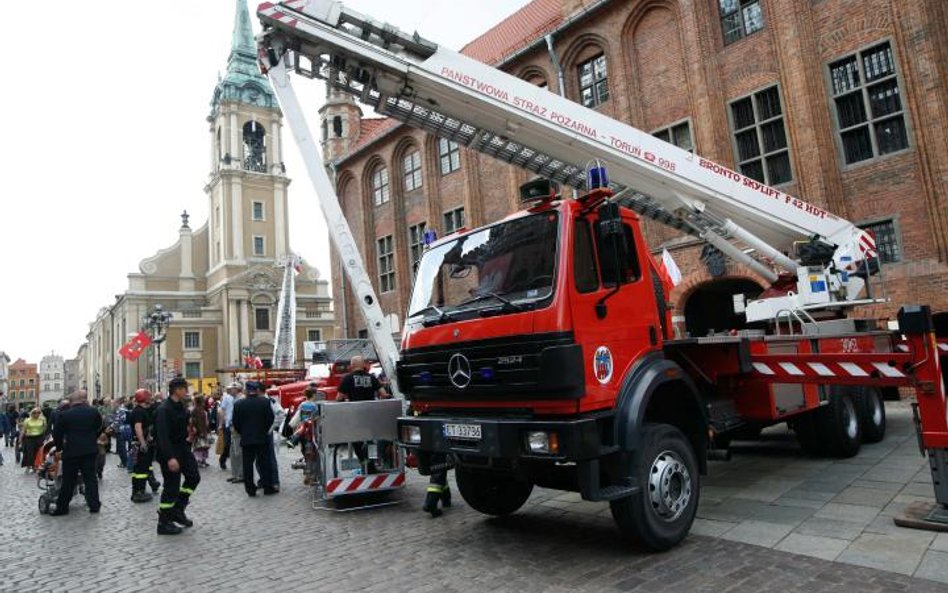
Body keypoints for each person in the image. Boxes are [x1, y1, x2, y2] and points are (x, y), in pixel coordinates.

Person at [154, 378, 201, 535]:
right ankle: (164, 522)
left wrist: (189, 433)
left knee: (194, 477)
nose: (186, 391)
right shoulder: (164, 409)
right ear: (176, 390)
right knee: (171, 487)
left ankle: (178, 509)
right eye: (183, 389)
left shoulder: (181, 406)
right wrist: (170, 458)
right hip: (170, 452)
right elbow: (162, 436)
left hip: (183, 449)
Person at [49, 391, 102, 515]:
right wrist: (92, 438)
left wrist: (59, 448)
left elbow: (57, 433)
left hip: (71, 450)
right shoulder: (94, 412)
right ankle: (94, 505)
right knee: (90, 478)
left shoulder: (64, 415)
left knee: (68, 480)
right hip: (90, 449)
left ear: (72, 401)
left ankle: (62, 507)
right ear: (84, 400)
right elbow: (99, 426)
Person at [335, 356, 388, 471]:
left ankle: (364, 463)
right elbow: (383, 394)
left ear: (352, 365)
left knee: (356, 440)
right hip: (371, 416)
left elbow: (338, 398)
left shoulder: (347, 378)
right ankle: (372, 462)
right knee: (371, 440)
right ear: (363, 365)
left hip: (356, 416)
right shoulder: (371, 378)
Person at [232, 381, 275, 497]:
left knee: (247, 465)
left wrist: (243, 432)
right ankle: (267, 487)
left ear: (246, 390)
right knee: (264, 463)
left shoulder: (239, 404)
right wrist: (264, 430)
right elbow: (270, 419)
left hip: (246, 439)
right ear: (256, 390)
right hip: (262, 438)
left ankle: (250, 489)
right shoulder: (265, 402)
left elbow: (235, 423)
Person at [129, 389, 160, 503]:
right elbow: (138, 427)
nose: (150, 398)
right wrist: (142, 443)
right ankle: (138, 492)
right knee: (140, 469)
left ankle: (140, 489)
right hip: (141, 444)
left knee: (143, 467)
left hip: (146, 443)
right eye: (148, 396)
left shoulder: (144, 410)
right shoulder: (138, 412)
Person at [218, 382, 239, 471]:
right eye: (232, 388)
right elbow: (222, 410)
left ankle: (236, 464)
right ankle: (222, 459)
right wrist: (220, 424)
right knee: (227, 444)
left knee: (236, 445)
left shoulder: (239, 398)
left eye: (235, 388)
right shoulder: (226, 397)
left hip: (237, 424)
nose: (233, 390)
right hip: (227, 423)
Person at [21, 408, 47, 472]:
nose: (36, 414)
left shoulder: (43, 419)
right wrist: (20, 439)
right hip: (29, 438)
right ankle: (30, 465)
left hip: (39, 437)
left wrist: (45, 436)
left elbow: (45, 428)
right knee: (30, 453)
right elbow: (23, 430)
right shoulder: (27, 420)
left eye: (38, 413)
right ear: (31, 413)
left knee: (38, 452)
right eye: (34, 413)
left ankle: (36, 466)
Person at [190, 395, 211, 468]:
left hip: (201, 430)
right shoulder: (198, 410)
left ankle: (202, 460)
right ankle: (200, 460)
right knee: (200, 446)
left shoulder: (197, 410)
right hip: (201, 430)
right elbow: (194, 421)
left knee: (201, 446)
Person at [110, 396, 130, 469]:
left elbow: (118, 421)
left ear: (117, 403)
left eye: (113, 403)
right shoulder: (121, 409)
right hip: (120, 430)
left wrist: (110, 427)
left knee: (121, 447)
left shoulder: (121, 410)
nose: (112, 405)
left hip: (121, 430)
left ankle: (125, 462)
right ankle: (123, 461)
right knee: (121, 447)